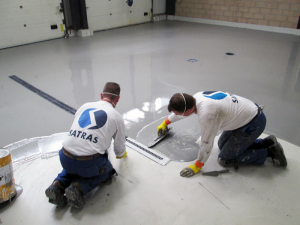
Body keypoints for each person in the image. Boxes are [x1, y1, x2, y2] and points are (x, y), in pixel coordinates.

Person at [157, 91, 287, 178]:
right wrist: (166, 122)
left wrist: (198, 165)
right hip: (243, 117)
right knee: (221, 144)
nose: (178, 115)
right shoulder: (195, 97)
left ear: (189, 110)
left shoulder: (207, 114)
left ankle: (269, 152)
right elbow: (181, 112)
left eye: (179, 113)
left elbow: (207, 142)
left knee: (225, 159)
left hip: (252, 123)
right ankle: (266, 143)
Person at [45, 82, 127, 208]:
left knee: (72, 167)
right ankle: (78, 188)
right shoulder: (116, 117)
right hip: (89, 163)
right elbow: (119, 151)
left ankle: (57, 185)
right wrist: (122, 154)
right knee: (107, 171)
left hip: (64, 156)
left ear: (101, 95)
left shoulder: (85, 106)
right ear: (118, 98)